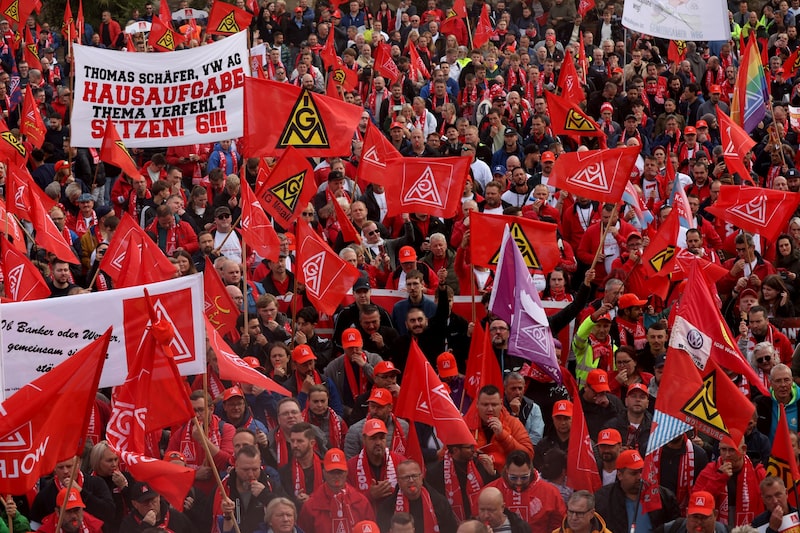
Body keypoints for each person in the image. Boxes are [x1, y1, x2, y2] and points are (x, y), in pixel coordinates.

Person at [694, 429, 766, 527]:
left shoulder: (758, 472)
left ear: (743, 449)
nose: (727, 455)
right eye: (723, 449)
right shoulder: (709, 471)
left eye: (732, 450)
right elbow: (697, 502)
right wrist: (719, 478)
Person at [595, 450, 679, 533]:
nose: (640, 477)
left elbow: (676, 527)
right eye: (634, 473)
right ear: (620, 475)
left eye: (642, 471)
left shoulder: (664, 497)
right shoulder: (603, 500)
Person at [485, 450, 565, 533]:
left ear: (531, 471)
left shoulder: (550, 492)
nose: (518, 482)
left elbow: (559, 525)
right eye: (513, 477)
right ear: (506, 470)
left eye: (524, 477)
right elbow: (480, 520)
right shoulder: (490, 492)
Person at [297, 448, 375, 533]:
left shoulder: (361, 502)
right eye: (332, 472)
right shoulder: (311, 506)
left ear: (346, 472)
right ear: (324, 472)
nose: (336, 476)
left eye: (340, 472)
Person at [215, 444, 284, 533]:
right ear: (236, 466)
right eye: (246, 470)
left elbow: (287, 511)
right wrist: (227, 516)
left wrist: (265, 495)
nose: (251, 474)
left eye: (255, 469)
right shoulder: (224, 487)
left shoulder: (270, 485)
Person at [376, 460, 459, 532]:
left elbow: (450, 529)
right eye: (406, 477)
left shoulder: (439, 502)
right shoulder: (387, 507)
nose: (411, 480)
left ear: (421, 477)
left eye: (414, 476)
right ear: (398, 481)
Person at [465, 385, 535, 470]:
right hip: (472, 476)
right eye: (485, 404)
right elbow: (448, 455)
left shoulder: (512, 423)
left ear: (501, 404)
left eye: (494, 405)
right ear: (477, 404)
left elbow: (528, 456)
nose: (490, 409)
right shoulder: (465, 424)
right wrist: (469, 454)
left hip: (505, 476)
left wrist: (503, 436)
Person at [31, 457, 115, 528]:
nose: (65, 471)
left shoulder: (96, 483)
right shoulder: (46, 494)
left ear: (78, 463)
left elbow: (109, 512)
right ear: (54, 468)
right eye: (61, 467)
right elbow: (35, 526)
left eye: (69, 466)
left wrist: (81, 492)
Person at [120, 481, 193, 533]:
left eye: (153, 500)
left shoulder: (177, 517)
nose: (150, 505)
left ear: (158, 496)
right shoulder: (128, 524)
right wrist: (144, 526)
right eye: (145, 502)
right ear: (135, 504)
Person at [755, 363, 800, 440]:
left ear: (792, 381)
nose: (783, 385)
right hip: (768, 451)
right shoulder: (761, 404)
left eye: (786, 380)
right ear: (771, 383)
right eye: (778, 381)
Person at [37, 488, 102, 533]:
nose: (74, 516)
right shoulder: (46, 530)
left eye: (77, 510)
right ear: (57, 512)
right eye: (68, 511)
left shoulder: (93, 527)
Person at [658, 491, 727, 533]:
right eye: (695, 517)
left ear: (715, 515)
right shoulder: (671, 529)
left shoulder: (727, 531)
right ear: (687, 513)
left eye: (704, 517)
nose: (699, 522)